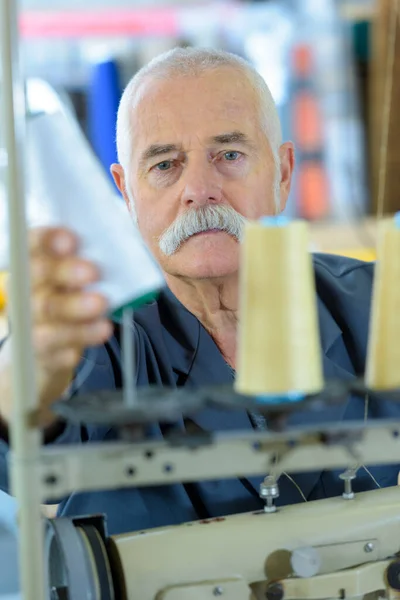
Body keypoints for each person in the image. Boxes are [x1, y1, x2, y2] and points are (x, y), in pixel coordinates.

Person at [0, 47, 398, 536]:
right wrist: (28, 370)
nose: (199, 189)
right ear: (126, 194)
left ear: (283, 173)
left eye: (229, 155)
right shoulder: (97, 335)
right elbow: (21, 444)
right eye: (165, 165)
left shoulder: (381, 306)